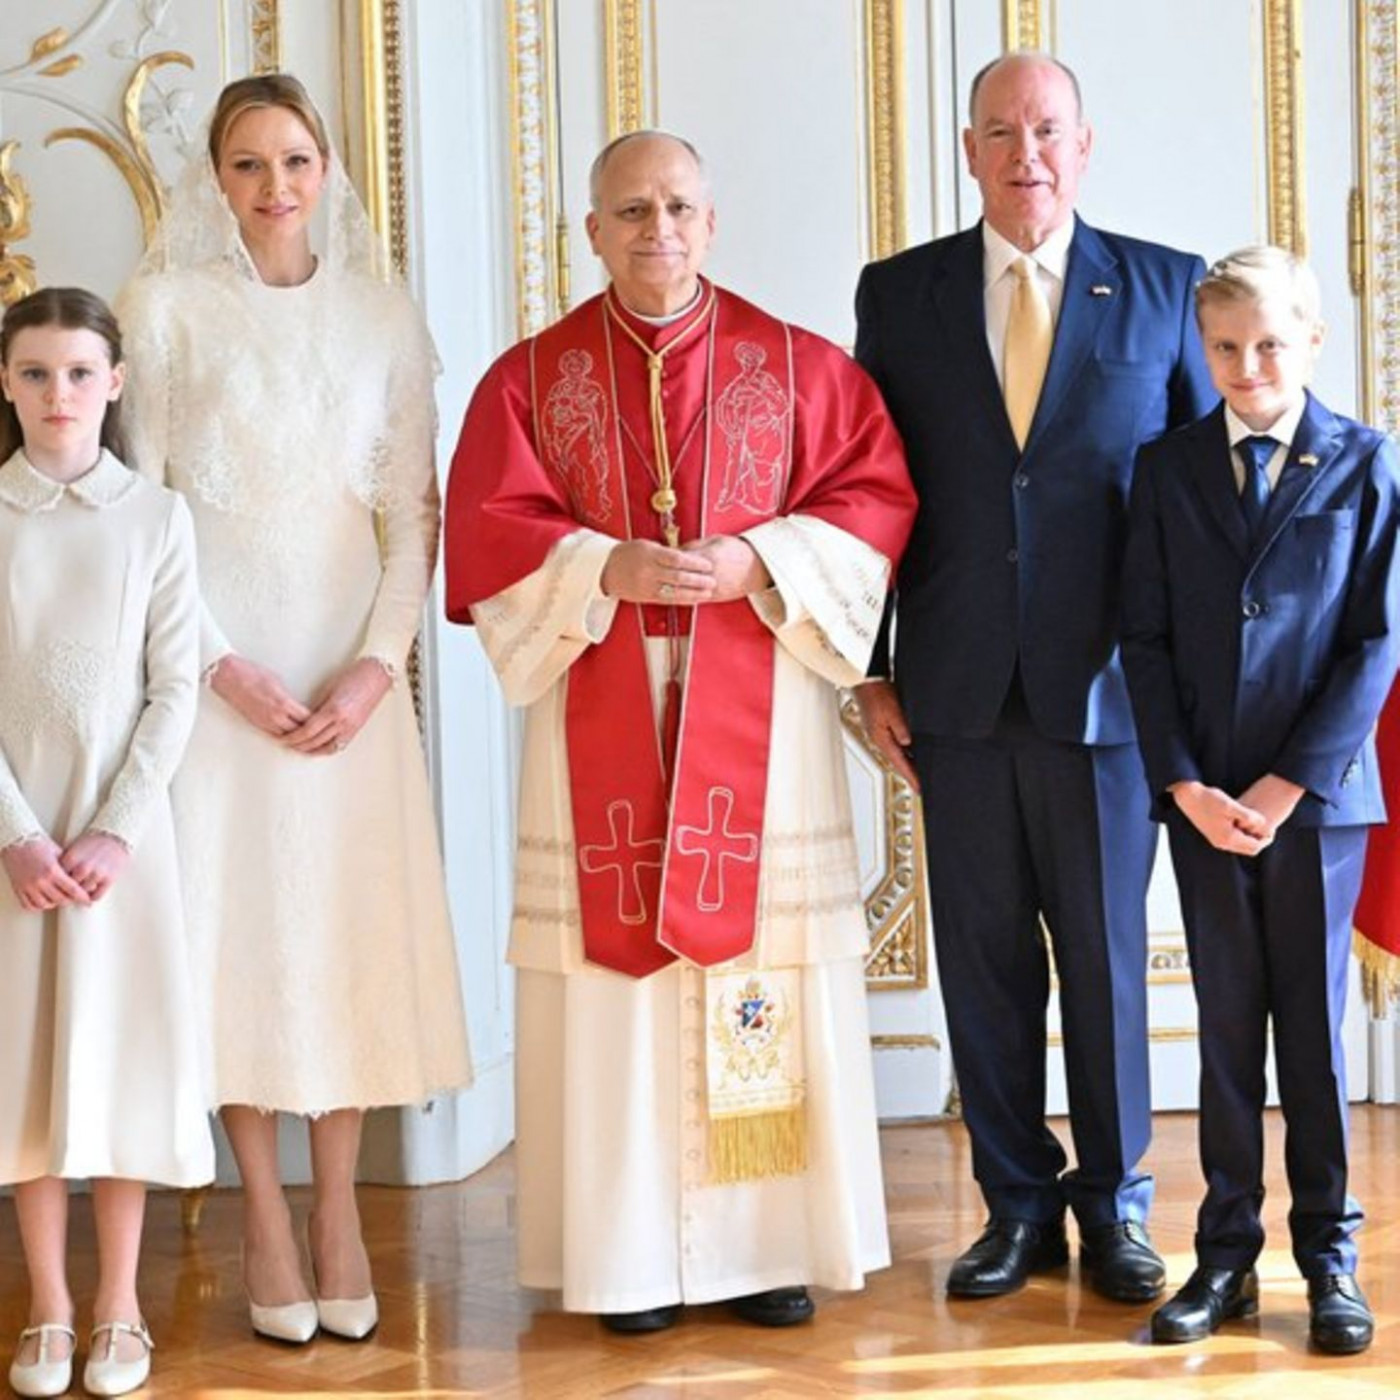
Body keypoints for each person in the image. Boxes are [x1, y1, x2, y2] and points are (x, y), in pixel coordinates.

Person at [444, 130, 916, 1332]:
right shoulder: (529, 377)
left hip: (758, 718)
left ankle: (765, 1247)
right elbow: (492, 527)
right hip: (596, 690)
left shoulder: (797, 364)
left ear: (712, 223)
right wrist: (606, 564)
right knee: (615, 981)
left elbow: (870, 499)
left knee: (755, 974)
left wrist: (753, 555)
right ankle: (629, 1254)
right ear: (591, 231)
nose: (658, 230)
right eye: (631, 210)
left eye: (678, 208)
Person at [853, 51, 1217, 1302]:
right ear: (967, 150)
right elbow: (866, 498)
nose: (1027, 155)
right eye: (1001, 132)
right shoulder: (897, 296)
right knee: (983, 959)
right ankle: (1014, 1204)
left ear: (1084, 143)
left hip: (1111, 692)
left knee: (1106, 961)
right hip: (952, 688)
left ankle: (1116, 1207)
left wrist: (1191, 700)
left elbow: (1190, 509)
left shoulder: (1167, 289)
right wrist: (868, 666)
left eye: (1047, 130)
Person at [114, 74, 472, 1345]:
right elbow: (144, 519)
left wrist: (375, 667)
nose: (275, 187)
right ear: (216, 178)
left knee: (339, 929)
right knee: (237, 929)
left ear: (327, 170)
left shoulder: (381, 315)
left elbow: (411, 520)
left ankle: (336, 1210)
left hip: (346, 678)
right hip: (214, 680)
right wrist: (218, 668)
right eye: (250, 164)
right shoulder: (160, 313)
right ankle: (263, 1209)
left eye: (296, 161)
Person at [1122, 246, 1400, 1355]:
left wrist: (1287, 783)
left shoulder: (1364, 463)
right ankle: (1224, 1252)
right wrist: (1183, 781)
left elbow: (1374, 642)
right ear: (1203, 347)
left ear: (1312, 342)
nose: (1247, 366)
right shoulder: (1165, 467)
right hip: (1202, 800)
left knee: (1312, 1040)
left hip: (1316, 802)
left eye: (1269, 344)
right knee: (1227, 1028)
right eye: (1225, 347)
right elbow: (1139, 639)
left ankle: (1326, 1256)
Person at [0, 288, 212, 1398]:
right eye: (36, 373)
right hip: (17, 846)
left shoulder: (158, 518)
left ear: (114, 383)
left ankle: (122, 1301)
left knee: (122, 1055)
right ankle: (47, 1302)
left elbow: (175, 688)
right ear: (6, 383)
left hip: (123, 845)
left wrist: (118, 831)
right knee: (25, 1064)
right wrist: (20, 837)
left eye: (79, 373)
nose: (58, 394)